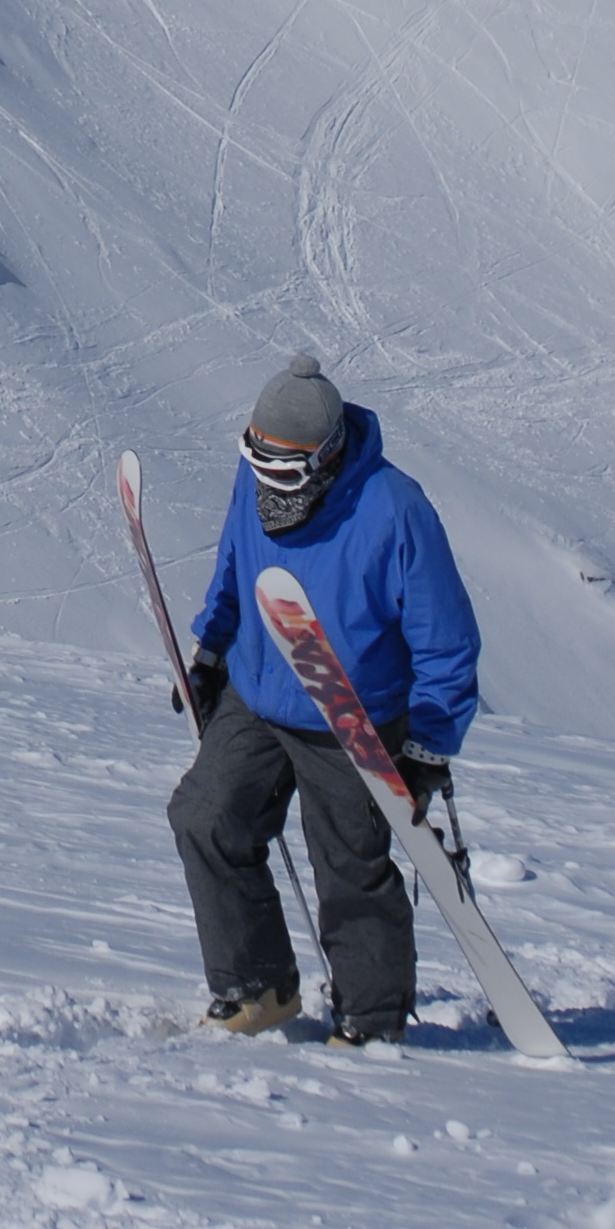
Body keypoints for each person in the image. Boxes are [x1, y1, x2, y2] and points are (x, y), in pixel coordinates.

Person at [166, 349, 479, 1047]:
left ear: (326, 457)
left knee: (348, 867)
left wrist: (429, 743)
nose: (270, 483)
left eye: (286, 470)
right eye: (260, 463)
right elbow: (233, 565)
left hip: (355, 717)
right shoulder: (254, 487)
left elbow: (446, 638)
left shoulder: (395, 510)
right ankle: (258, 987)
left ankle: (370, 1020)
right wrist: (211, 651)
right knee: (206, 818)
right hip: (260, 691)